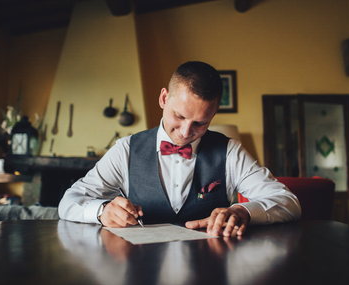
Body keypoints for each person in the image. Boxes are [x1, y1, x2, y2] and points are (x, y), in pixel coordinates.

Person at [58, 61, 301, 236]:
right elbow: (69, 201)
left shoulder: (230, 152)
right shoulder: (125, 150)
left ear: (214, 114)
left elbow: (288, 202)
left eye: (200, 123)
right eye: (179, 116)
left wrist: (242, 211)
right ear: (164, 99)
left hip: (211, 272)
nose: (186, 132)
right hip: (139, 275)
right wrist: (101, 211)